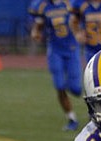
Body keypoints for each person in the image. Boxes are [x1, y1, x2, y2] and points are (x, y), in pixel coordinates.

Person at [28, 0, 82, 132]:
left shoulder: (71, 3)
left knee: (76, 89)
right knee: (59, 86)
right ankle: (71, 118)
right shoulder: (41, 6)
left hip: (72, 48)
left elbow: (81, 18)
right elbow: (38, 25)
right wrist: (35, 32)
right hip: (55, 50)